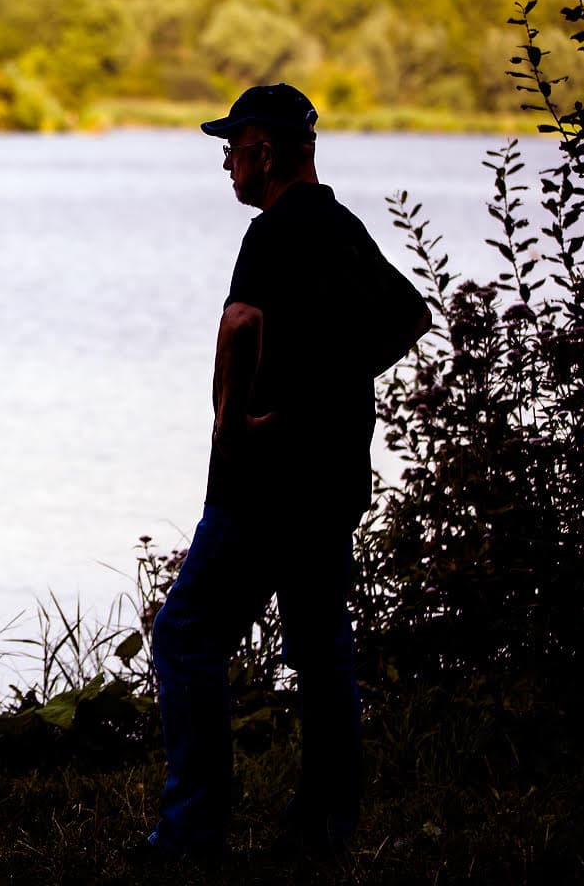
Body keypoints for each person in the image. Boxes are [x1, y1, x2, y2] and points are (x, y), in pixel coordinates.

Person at [141, 83, 432, 862]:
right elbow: (411, 317)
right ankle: (325, 825)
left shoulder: (274, 231)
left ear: (264, 150)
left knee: (187, 635)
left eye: (231, 150)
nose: (228, 166)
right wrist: (332, 387)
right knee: (320, 645)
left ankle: (194, 830)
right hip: (331, 477)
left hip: (264, 483)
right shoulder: (340, 226)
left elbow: (239, 323)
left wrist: (233, 425)